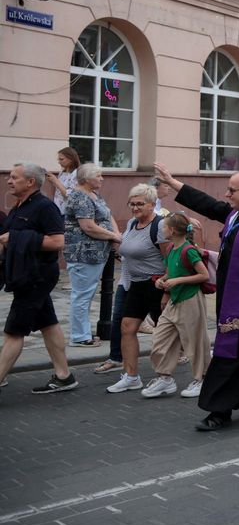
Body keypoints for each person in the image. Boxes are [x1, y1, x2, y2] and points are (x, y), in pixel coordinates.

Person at [152, 162, 239, 431]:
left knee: (229, 358)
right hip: (232, 303)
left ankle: (219, 410)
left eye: (232, 190)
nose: (227, 195)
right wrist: (173, 183)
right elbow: (207, 204)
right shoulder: (235, 217)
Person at [0, 162, 76, 395]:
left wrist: (16, 238)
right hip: (23, 273)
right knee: (48, 322)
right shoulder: (19, 207)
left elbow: (58, 242)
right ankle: (64, 376)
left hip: (37, 275)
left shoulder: (45, 207)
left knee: (14, 330)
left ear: (30, 182)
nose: (8, 181)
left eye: (14, 177)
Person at [105, 185, 170, 394]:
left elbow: (169, 259)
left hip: (157, 285)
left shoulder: (159, 226)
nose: (134, 208)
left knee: (170, 333)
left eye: (140, 204)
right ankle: (131, 377)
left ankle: (181, 376)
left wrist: (167, 291)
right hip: (136, 284)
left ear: (152, 204)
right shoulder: (133, 223)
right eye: (132, 204)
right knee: (127, 328)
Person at [147, 213, 211, 397]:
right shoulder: (170, 248)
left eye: (164, 226)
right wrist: (162, 282)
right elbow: (169, 273)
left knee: (195, 342)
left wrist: (177, 281)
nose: (162, 229)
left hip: (190, 300)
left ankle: (202, 379)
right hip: (175, 300)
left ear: (172, 230)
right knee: (160, 339)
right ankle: (165, 379)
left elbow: (204, 275)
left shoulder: (188, 250)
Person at [63, 163, 121, 347]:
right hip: (83, 253)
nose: (102, 179)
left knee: (86, 294)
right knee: (82, 295)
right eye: (99, 176)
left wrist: (115, 234)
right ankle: (79, 337)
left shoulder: (93, 194)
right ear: (87, 179)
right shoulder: (80, 196)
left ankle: (84, 332)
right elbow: (88, 226)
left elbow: (107, 215)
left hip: (95, 253)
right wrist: (113, 236)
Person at [48, 147, 81, 214]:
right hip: (58, 209)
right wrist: (52, 181)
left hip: (69, 212)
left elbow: (70, 195)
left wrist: (56, 182)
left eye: (61, 159)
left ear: (71, 159)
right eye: (58, 159)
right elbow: (59, 191)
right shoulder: (62, 173)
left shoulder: (77, 173)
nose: (59, 162)